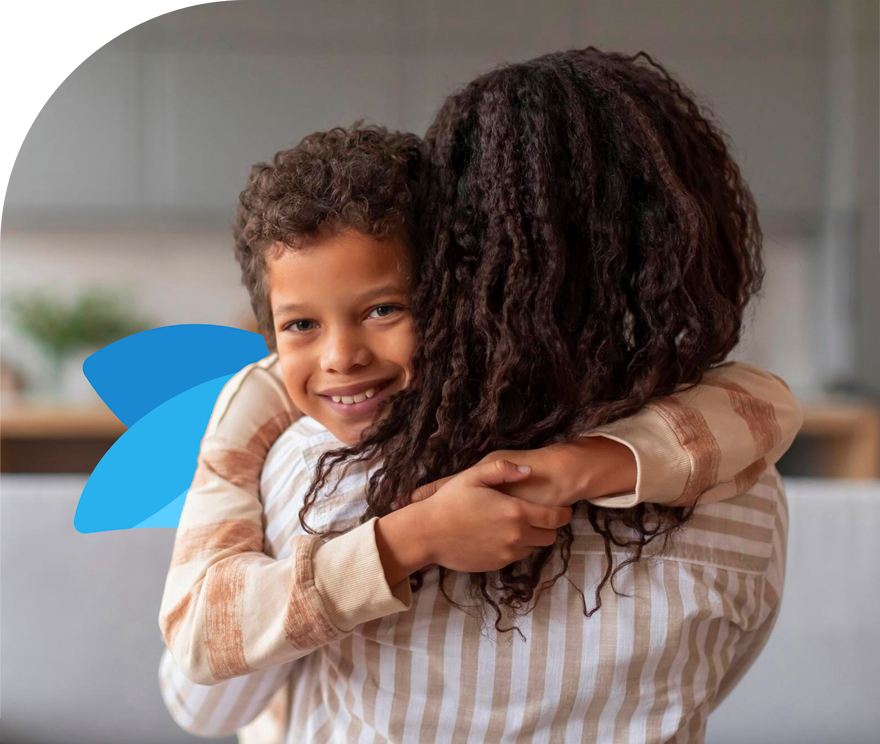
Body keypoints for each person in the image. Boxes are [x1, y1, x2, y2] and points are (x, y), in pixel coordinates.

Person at [158, 50, 801, 743]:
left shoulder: (324, 473)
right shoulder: (743, 485)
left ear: (453, 253)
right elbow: (720, 676)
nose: (341, 357)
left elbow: (204, 701)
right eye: (303, 325)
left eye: (383, 309)